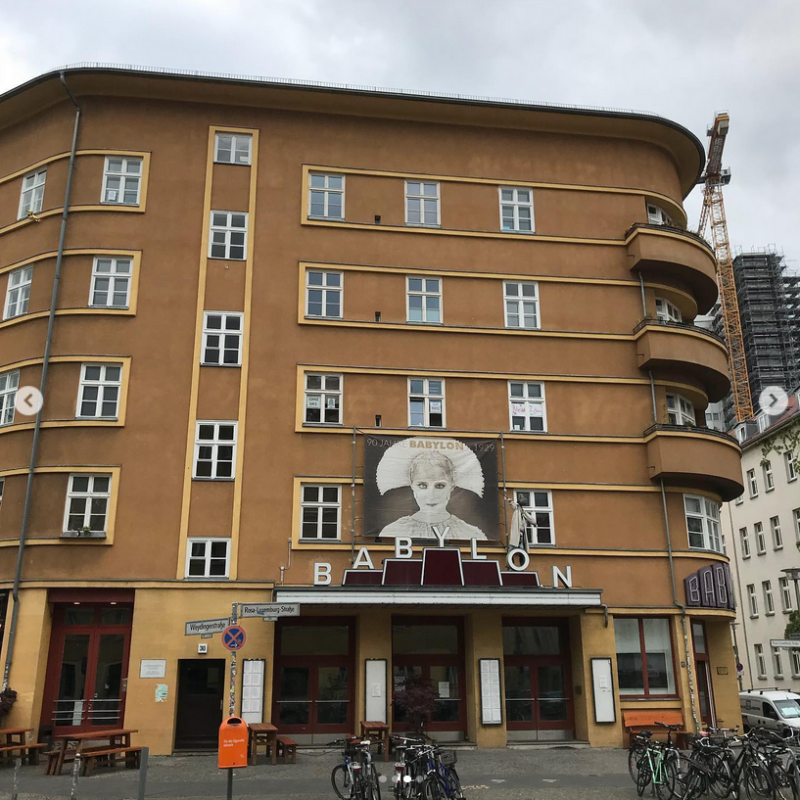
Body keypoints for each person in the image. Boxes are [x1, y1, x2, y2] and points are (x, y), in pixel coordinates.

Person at [379, 451, 486, 540]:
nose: (430, 495)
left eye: (439, 486)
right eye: (422, 485)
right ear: (412, 486)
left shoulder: (471, 534)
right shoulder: (393, 531)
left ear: (452, 487)